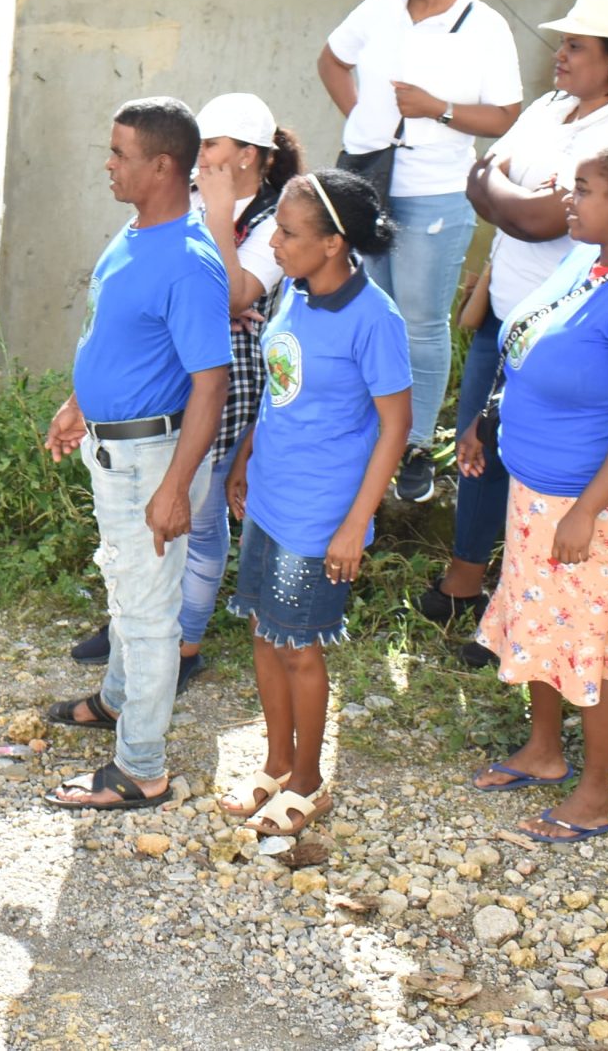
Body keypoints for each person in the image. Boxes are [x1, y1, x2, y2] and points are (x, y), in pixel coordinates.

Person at [461, 143, 608, 845]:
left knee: (594, 642)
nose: (569, 198)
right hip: (538, 493)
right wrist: (485, 420)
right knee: (540, 621)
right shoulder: (584, 260)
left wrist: (587, 508)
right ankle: (544, 749)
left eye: (585, 189)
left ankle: (596, 793)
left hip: (599, 506)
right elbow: (525, 341)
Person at [427, 0, 608, 652]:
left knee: (536, 463)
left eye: (576, 47)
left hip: (569, 333)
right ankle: (465, 584)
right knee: (479, 446)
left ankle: (518, 604)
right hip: (508, 314)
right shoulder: (549, 108)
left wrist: (505, 194)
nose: (559, 55)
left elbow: (534, 220)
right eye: (563, 43)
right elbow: (484, 177)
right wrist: (505, 193)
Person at [70, 94, 303, 684]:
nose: (200, 156)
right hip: (166, 365)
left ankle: (183, 640)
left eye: (214, 146)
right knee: (156, 513)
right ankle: (140, 622)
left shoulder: (273, 215)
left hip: (224, 374)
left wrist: (222, 216)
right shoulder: (189, 201)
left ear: (249, 156)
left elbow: (233, 297)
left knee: (197, 509)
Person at [38, 98, 230, 812]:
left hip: (155, 458)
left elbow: (213, 384)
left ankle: (141, 769)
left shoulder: (188, 261)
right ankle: (119, 702)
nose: (108, 165)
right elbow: (116, 335)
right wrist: (80, 403)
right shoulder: (136, 231)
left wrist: (178, 487)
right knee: (126, 587)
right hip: (115, 446)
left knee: (150, 615)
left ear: (163, 166)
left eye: (120, 154)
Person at [215, 170, 412, 840]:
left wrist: (356, 521)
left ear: (334, 244)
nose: (274, 241)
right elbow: (279, 391)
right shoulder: (293, 295)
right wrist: (244, 456)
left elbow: (395, 427)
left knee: (301, 647)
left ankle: (308, 783)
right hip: (270, 497)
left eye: (290, 233)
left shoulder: (375, 318)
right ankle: (275, 765)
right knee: (265, 634)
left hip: (321, 514)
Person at [317, 0, 524, 503]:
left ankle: (413, 447)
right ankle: (371, 431)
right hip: (366, 180)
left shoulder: (484, 28)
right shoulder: (381, 9)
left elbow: (507, 114)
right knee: (369, 311)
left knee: (420, 322)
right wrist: (362, 120)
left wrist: (439, 109)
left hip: (435, 190)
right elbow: (332, 59)